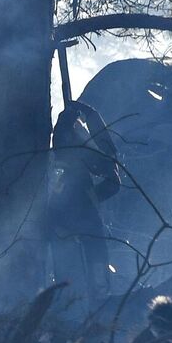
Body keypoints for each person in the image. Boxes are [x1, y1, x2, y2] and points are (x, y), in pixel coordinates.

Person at [46, 100, 122, 302]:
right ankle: (95, 297)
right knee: (93, 260)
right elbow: (113, 179)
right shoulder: (73, 148)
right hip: (78, 214)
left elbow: (112, 178)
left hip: (59, 214)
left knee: (69, 265)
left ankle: (72, 301)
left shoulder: (57, 153)